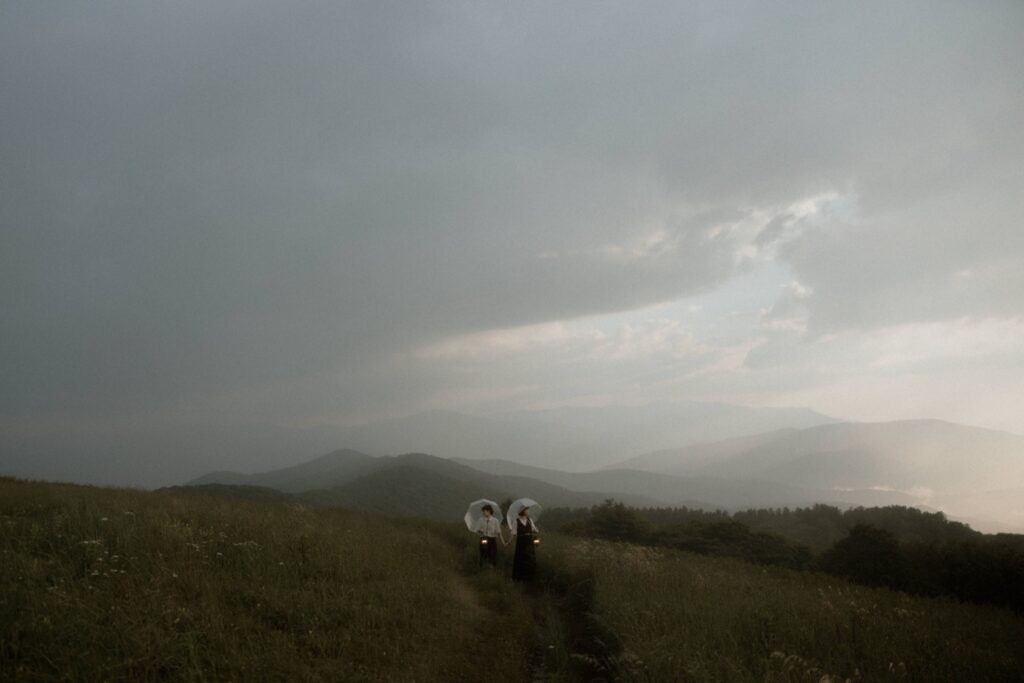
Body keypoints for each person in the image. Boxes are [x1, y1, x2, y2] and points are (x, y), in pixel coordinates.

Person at [511, 506, 539, 582]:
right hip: (521, 541)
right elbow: (513, 533)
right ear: (522, 511)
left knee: (530, 558)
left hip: (529, 540)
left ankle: (529, 577)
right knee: (520, 558)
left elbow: (534, 530)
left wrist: (536, 530)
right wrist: (508, 542)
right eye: (527, 510)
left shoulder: (530, 520)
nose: (528, 512)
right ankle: (519, 578)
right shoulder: (516, 521)